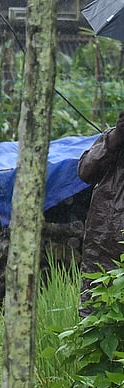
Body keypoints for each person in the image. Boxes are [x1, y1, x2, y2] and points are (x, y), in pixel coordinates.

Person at [77, 110, 124, 316]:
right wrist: (114, 139)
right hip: (103, 244)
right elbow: (85, 172)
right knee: (94, 313)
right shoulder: (111, 139)